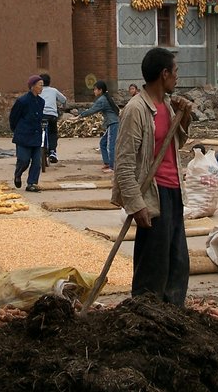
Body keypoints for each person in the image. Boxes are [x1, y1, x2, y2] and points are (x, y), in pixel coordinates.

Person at [112, 47, 193, 307]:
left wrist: (185, 115)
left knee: (177, 262)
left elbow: (177, 142)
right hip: (152, 195)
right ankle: (145, 316)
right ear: (164, 74)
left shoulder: (168, 106)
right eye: (176, 71)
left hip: (174, 190)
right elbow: (123, 163)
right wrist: (136, 204)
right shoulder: (136, 110)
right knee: (153, 265)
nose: (178, 77)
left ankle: (173, 315)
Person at [9, 75, 45, 192]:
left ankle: (32, 183)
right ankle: (18, 174)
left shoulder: (41, 102)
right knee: (24, 160)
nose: (42, 88)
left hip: (36, 135)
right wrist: (17, 130)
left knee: (37, 162)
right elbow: (14, 117)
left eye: (42, 85)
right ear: (33, 86)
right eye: (40, 85)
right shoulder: (22, 101)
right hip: (23, 135)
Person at [76, 80, 120, 174]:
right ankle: (107, 162)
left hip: (113, 124)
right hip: (112, 123)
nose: (94, 91)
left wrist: (80, 115)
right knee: (103, 143)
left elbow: (92, 110)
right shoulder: (105, 98)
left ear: (100, 90)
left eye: (95, 89)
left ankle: (112, 167)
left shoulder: (102, 100)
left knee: (110, 145)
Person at [39, 73, 67, 163]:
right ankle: (52, 152)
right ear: (49, 82)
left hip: (40, 115)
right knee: (53, 132)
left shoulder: (38, 90)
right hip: (52, 115)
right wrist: (63, 106)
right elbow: (64, 99)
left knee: (37, 131)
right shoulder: (54, 91)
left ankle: (36, 151)